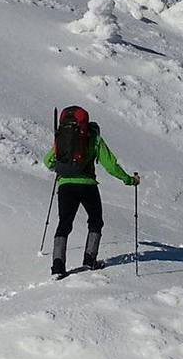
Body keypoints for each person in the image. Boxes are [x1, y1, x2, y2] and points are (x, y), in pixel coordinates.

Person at [44, 106, 139, 276]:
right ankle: (89, 260)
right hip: (87, 185)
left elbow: (48, 161)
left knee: (64, 223)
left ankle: (58, 267)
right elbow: (110, 165)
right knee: (95, 221)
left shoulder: (63, 138)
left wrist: (62, 168)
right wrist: (129, 180)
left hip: (65, 185)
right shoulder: (94, 139)